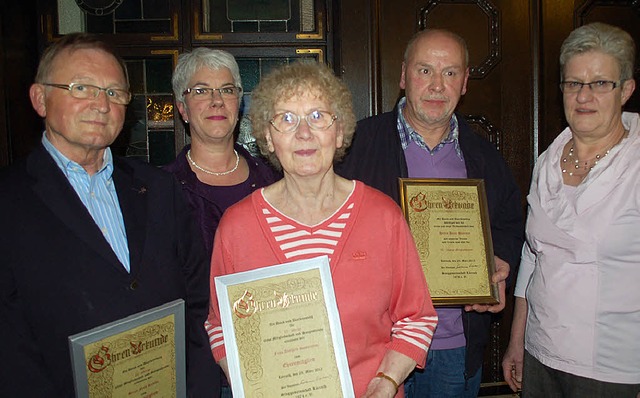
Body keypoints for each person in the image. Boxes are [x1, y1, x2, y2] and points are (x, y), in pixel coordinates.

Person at [0, 33, 217, 397]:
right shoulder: (9, 201)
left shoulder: (159, 189)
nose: (101, 104)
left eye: (114, 93)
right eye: (82, 88)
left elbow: (197, 304)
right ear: (39, 98)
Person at [205, 61, 439, 397]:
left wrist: (386, 382)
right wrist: (253, 386)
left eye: (318, 117)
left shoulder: (383, 216)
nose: (304, 133)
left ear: (339, 131)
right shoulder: (236, 227)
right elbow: (220, 328)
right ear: (268, 138)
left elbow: (416, 318)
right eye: (286, 118)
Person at [336, 29, 524, 397]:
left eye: (450, 73)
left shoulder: (486, 158)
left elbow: (509, 225)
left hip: (453, 348)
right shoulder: (354, 147)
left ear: (466, 81)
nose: (438, 85)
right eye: (425, 71)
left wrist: (499, 261)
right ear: (404, 76)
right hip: (375, 346)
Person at [502, 22, 640, 397]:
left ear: (626, 90)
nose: (584, 96)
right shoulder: (548, 160)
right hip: (542, 354)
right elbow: (533, 257)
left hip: (614, 369)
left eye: (600, 83)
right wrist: (517, 339)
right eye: (573, 83)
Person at [164, 47, 277, 259]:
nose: (217, 101)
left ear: (239, 103)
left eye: (227, 90)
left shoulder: (273, 180)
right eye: (201, 91)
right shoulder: (162, 190)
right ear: (183, 109)